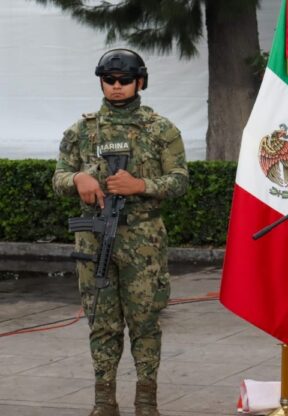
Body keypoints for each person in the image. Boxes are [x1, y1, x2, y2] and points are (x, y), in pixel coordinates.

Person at [52, 48, 189, 416]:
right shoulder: (81, 131)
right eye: (109, 80)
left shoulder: (161, 130)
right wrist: (77, 178)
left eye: (124, 80)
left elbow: (180, 181)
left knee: (145, 323)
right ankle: (103, 403)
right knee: (102, 324)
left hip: (143, 241)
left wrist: (140, 185)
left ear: (139, 82)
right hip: (94, 241)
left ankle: (146, 403)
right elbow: (58, 177)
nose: (116, 86)